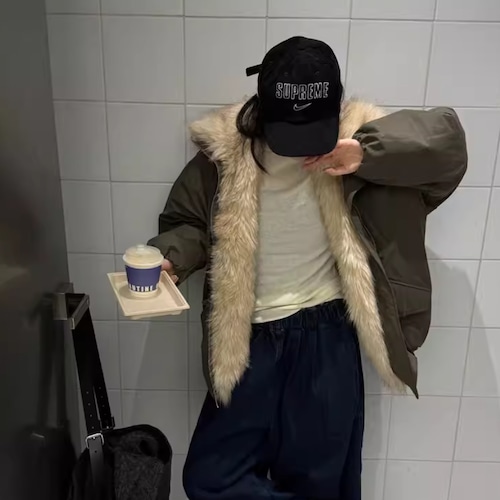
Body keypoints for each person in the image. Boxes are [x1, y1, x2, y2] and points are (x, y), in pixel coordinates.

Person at [148, 37, 467, 500]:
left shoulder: (359, 141)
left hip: (327, 335)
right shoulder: (224, 154)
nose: (300, 150)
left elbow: (448, 148)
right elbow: (188, 222)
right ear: (262, 108)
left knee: (322, 482)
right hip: (248, 341)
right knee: (209, 478)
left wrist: (367, 154)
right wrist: (171, 258)